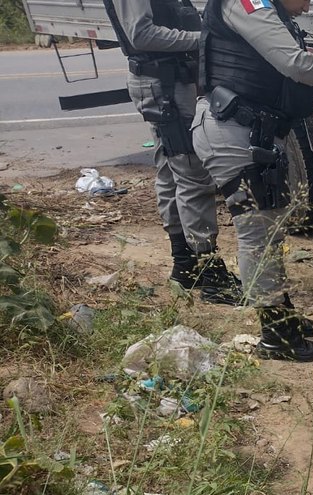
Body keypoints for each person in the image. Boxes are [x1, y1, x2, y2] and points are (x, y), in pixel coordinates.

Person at [192, 0, 313, 361]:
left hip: (248, 131)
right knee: (258, 236)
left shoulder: (265, 10)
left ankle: (286, 320)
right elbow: (293, 63)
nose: (309, 5)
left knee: (269, 231)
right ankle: (278, 337)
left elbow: (261, 79)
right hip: (232, 134)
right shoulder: (245, 2)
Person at [102, 0, 243, 305]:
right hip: (163, 86)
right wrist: (203, 39)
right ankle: (210, 274)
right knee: (192, 173)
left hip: (168, 81)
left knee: (171, 169)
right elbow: (142, 34)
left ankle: (185, 263)